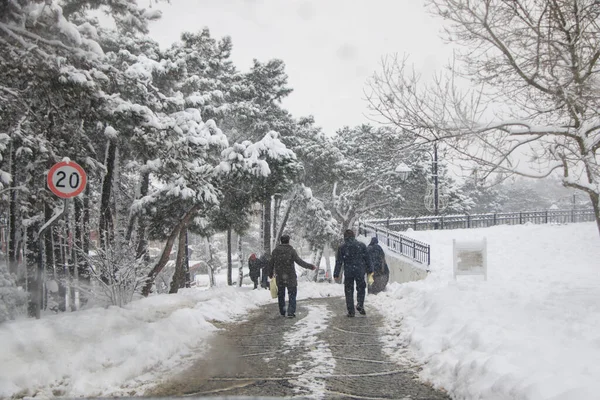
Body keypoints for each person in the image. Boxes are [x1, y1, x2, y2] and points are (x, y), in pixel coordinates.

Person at [268, 234, 316, 318]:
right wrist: (310, 266)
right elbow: (299, 261)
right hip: (290, 276)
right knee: (292, 294)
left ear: (281, 241)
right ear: (288, 241)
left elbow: (271, 263)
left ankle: (282, 311)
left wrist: (270, 273)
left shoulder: (275, 251)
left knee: (281, 295)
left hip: (280, 276)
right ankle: (290, 312)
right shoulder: (291, 251)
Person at [334, 229, 374, 317]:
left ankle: (351, 311)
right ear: (353, 236)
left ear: (345, 238)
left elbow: (339, 262)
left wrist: (336, 274)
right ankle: (360, 304)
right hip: (360, 271)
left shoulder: (342, 247)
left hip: (348, 272)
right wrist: (370, 270)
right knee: (361, 288)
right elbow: (368, 258)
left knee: (348, 291)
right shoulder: (361, 245)